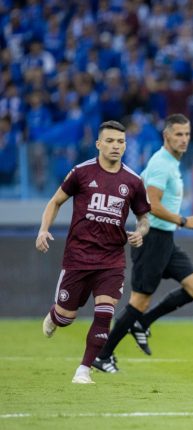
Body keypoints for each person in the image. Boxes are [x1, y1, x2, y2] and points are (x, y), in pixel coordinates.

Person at [35, 120, 150, 384]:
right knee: (66, 317)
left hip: (111, 259)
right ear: (98, 144)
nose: (115, 146)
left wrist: (139, 232)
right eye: (110, 141)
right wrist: (43, 230)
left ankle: (83, 370)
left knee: (104, 313)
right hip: (78, 257)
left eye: (120, 142)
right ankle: (55, 317)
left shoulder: (133, 180)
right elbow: (55, 202)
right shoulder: (81, 172)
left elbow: (144, 218)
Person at [95, 114, 193, 366]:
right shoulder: (161, 164)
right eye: (178, 134)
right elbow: (152, 204)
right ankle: (102, 355)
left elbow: (142, 188)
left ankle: (142, 323)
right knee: (139, 301)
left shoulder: (169, 163)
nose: (184, 139)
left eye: (187, 134)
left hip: (165, 238)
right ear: (166, 136)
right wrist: (182, 220)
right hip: (153, 238)